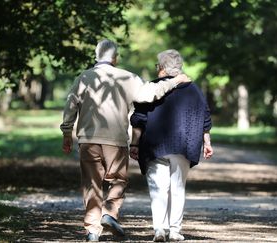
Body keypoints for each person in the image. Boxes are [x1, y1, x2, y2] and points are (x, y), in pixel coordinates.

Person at [60, 40, 191, 242]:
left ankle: (92, 230)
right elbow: (149, 94)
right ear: (115, 58)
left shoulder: (84, 77)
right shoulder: (127, 77)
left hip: (88, 139)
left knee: (91, 183)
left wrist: (67, 132)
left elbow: (71, 105)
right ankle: (109, 213)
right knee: (118, 180)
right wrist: (175, 81)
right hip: (116, 141)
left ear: (97, 56)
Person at [129, 49, 213, 242]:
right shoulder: (193, 89)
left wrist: (134, 144)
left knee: (158, 188)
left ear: (161, 69)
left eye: (157, 66)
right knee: (177, 188)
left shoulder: (151, 89)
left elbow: (139, 119)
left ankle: (160, 229)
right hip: (183, 146)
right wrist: (207, 142)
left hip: (154, 145)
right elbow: (205, 117)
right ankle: (175, 231)